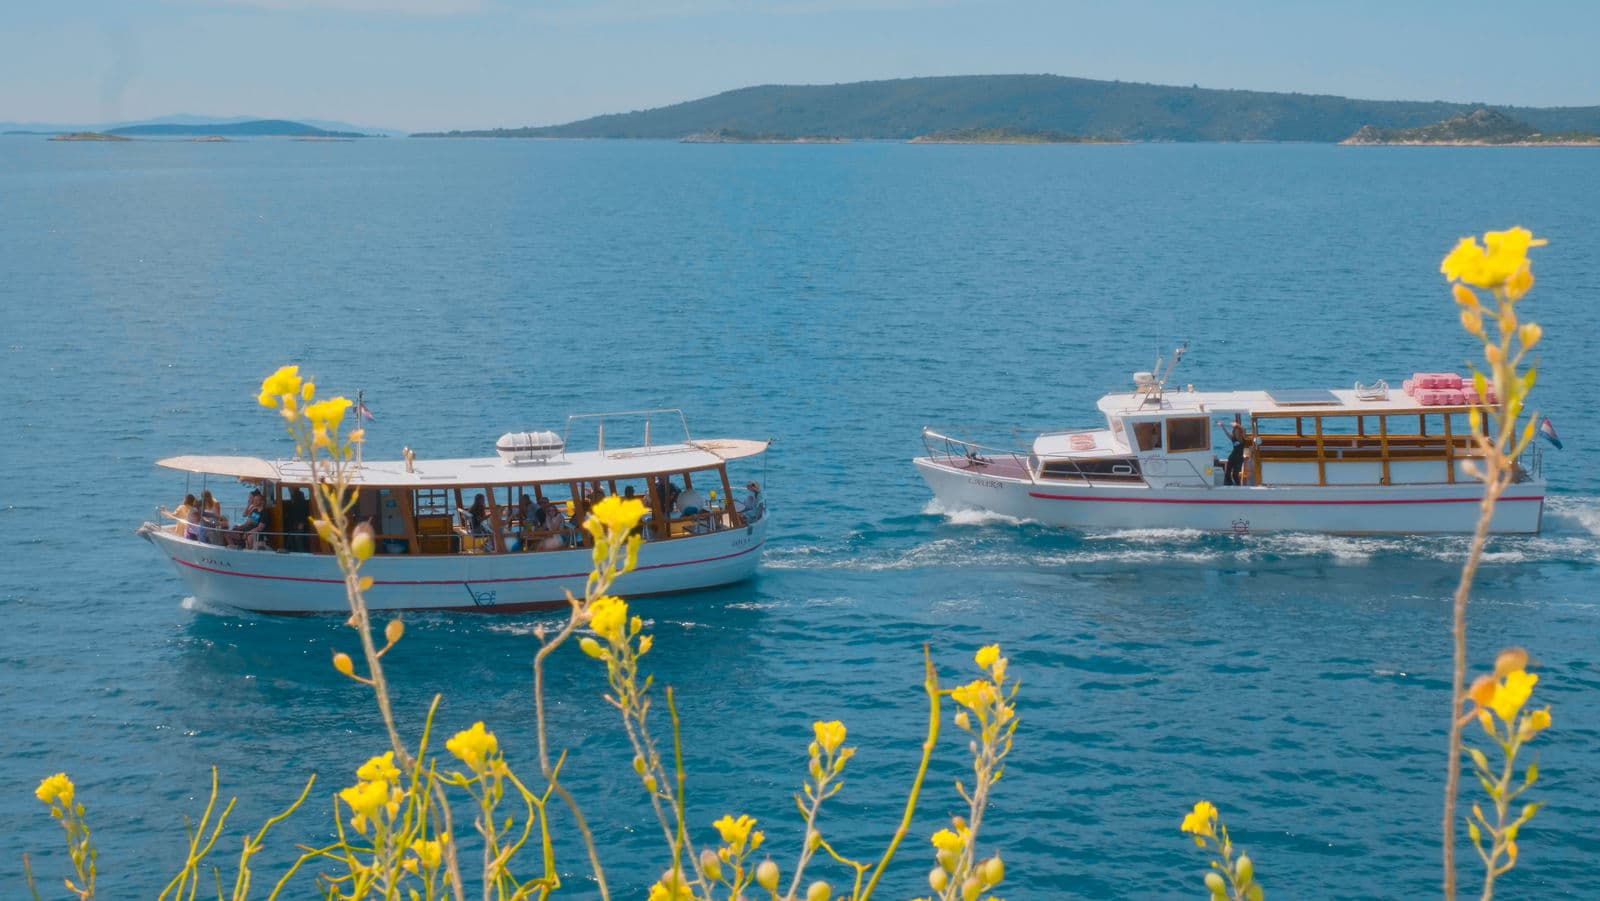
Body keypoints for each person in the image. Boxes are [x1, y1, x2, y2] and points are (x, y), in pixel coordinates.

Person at [1217, 420, 1248, 486]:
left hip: (1239, 459)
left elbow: (1244, 429)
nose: (1236, 432)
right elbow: (1227, 434)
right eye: (1235, 431)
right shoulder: (1233, 438)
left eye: (1237, 431)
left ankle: (1238, 486)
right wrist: (1223, 426)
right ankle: (1229, 485)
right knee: (1227, 474)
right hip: (1232, 457)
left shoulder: (1243, 438)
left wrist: (1236, 425)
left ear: (1239, 432)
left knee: (1235, 475)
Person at [283, 487, 312, 552]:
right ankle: (294, 551)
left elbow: (303, 510)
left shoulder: (299, 497)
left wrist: (302, 522)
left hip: (299, 521)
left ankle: (301, 552)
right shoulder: (294, 498)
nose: (289, 490)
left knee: (298, 538)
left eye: (290, 488)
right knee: (292, 537)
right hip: (293, 521)